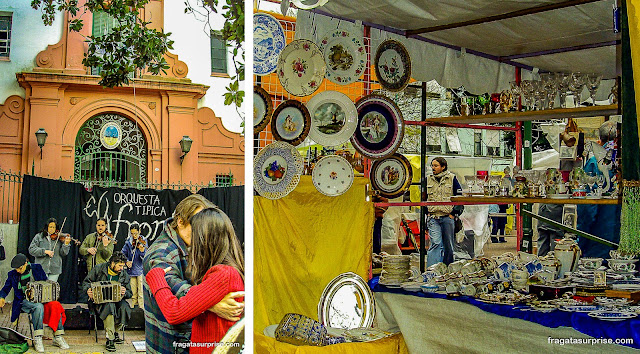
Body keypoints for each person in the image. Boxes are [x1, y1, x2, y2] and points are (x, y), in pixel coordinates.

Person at [143, 194, 244, 354]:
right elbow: (171, 285)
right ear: (180, 222)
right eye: (197, 225)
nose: (200, 232)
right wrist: (210, 304)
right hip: (170, 345)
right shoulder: (162, 252)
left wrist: (204, 301)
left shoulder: (222, 269)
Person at [0, 254, 69, 352]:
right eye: (16, 269)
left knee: (55, 304)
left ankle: (58, 337)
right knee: (38, 307)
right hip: (23, 301)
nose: (18, 271)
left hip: (40, 299)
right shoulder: (12, 274)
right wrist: (1, 297)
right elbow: (5, 288)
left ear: (26, 263)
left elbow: (45, 282)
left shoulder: (37, 268)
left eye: (20, 268)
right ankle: (38, 338)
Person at [577, 121, 621, 259]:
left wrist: (581, 242)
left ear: (600, 140)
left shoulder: (594, 163)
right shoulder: (626, 162)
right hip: (624, 240)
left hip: (598, 242)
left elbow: (588, 209)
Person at [82, 251, 132, 352]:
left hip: (117, 300)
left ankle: (115, 331)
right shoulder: (99, 269)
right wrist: (88, 290)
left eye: (123, 266)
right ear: (112, 263)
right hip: (100, 302)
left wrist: (125, 292)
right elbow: (86, 283)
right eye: (120, 266)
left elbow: (129, 293)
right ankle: (110, 339)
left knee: (125, 308)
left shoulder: (123, 274)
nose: (122, 268)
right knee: (109, 306)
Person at [424, 157, 464, 266]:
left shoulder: (452, 178)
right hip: (433, 217)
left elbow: (459, 197)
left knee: (448, 245)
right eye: (432, 165)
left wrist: (454, 214)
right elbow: (423, 198)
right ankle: (432, 270)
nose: (433, 168)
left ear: (443, 167)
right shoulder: (427, 179)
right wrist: (426, 213)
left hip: (447, 216)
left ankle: (447, 269)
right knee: (435, 243)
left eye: (436, 166)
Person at [121, 222, 145, 308]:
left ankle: (141, 308)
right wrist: (127, 261)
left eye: (136, 233)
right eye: (132, 233)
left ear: (139, 231)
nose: (134, 236)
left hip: (140, 270)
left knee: (141, 292)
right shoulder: (128, 242)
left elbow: (145, 257)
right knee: (133, 292)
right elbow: (122, 253)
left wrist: (142, 252)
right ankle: (133, 308)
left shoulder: (143, 241)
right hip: (131, 270)